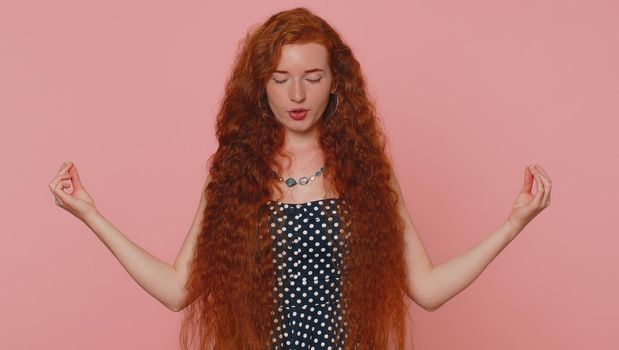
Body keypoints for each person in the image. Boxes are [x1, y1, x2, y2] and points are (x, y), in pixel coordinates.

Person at [48, 7, 552, 350]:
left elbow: (428, 288)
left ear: (336, 83)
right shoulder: (233, 173)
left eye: (313, 77)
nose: (297, 94)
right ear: (260, 84)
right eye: (280, 78)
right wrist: (91, 215)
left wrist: (514, 223)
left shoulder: (368, 173)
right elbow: (179, 288)